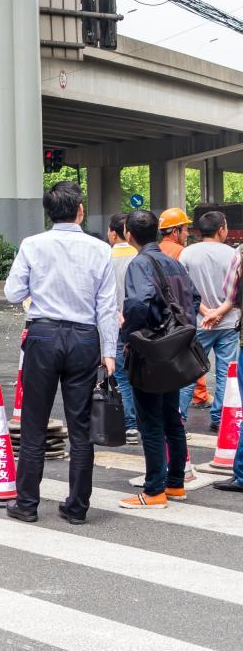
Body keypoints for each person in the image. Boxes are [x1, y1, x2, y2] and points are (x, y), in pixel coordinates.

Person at [4, 181, 117, 525]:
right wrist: (109, 352)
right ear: (80, 210)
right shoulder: (99, 249)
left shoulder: (33, 245)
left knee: (34, 423)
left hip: (43, 335)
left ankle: (26, 504)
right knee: (80, 426)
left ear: (48, 212)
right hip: (84, 338)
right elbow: (108, 306)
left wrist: (37, 290)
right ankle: (76, 507)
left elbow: (12, 292)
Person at [120, 210, 200, 509]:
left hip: (152, 349)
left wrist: (130, 335)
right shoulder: (174, 262)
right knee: (171, 418)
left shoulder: (139, 263)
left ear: (129, 233)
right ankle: (175, 484)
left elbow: (139, 302)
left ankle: (154, 490)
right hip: (176, 348)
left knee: (150, 421)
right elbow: (193, 298)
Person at [177, 211, 238, 432]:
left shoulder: (187, 254)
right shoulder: (234, 254)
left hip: (198, 322)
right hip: (228, 323)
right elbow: (237, 292)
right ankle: (220, 418)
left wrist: (204, 311)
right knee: (225, 372)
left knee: (189, 371)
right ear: (221, 229)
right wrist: (218, 313)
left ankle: (179, 417)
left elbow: (184, 289)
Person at [158, 207, 210, 408]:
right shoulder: (182, 252)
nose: (187, 233)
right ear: (174, 231)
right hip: (183, 316)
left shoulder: (155, 251)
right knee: (193, 356)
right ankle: (199, 395)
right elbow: (190, 290)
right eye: (185, 229)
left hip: (163, 318)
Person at [108, 213, 139, 445]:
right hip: (139, 322)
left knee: (121, 374)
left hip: (113, 322)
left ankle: (130, 425)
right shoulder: (141, 255)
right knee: (141, 372)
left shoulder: (105, 256)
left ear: (113, 232)